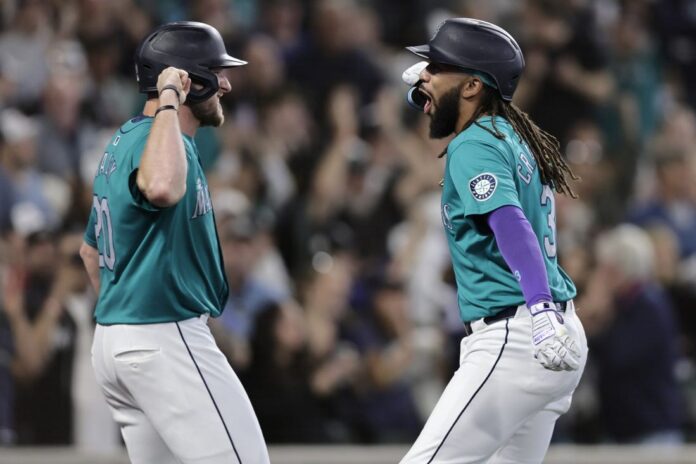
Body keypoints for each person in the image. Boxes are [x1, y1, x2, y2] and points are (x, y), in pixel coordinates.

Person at [79, 22, 269, 464]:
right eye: (216, 73)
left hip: (117, 340)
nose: (226, 84)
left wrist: (124, 324)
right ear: (190, 80)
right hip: (163, 335)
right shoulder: (158, 140)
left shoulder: (127, 139)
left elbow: (90, 251)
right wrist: (169, 99)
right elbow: (162, 187)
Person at [399, 18, 588, 463]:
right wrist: (430, 85)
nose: (424, 74)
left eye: (436, 66)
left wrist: (539, 307)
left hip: (517, 332)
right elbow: (443, 103)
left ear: (471, 87)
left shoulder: (473, 145)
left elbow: (510, 223)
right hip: (554, 334)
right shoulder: (510, 134)